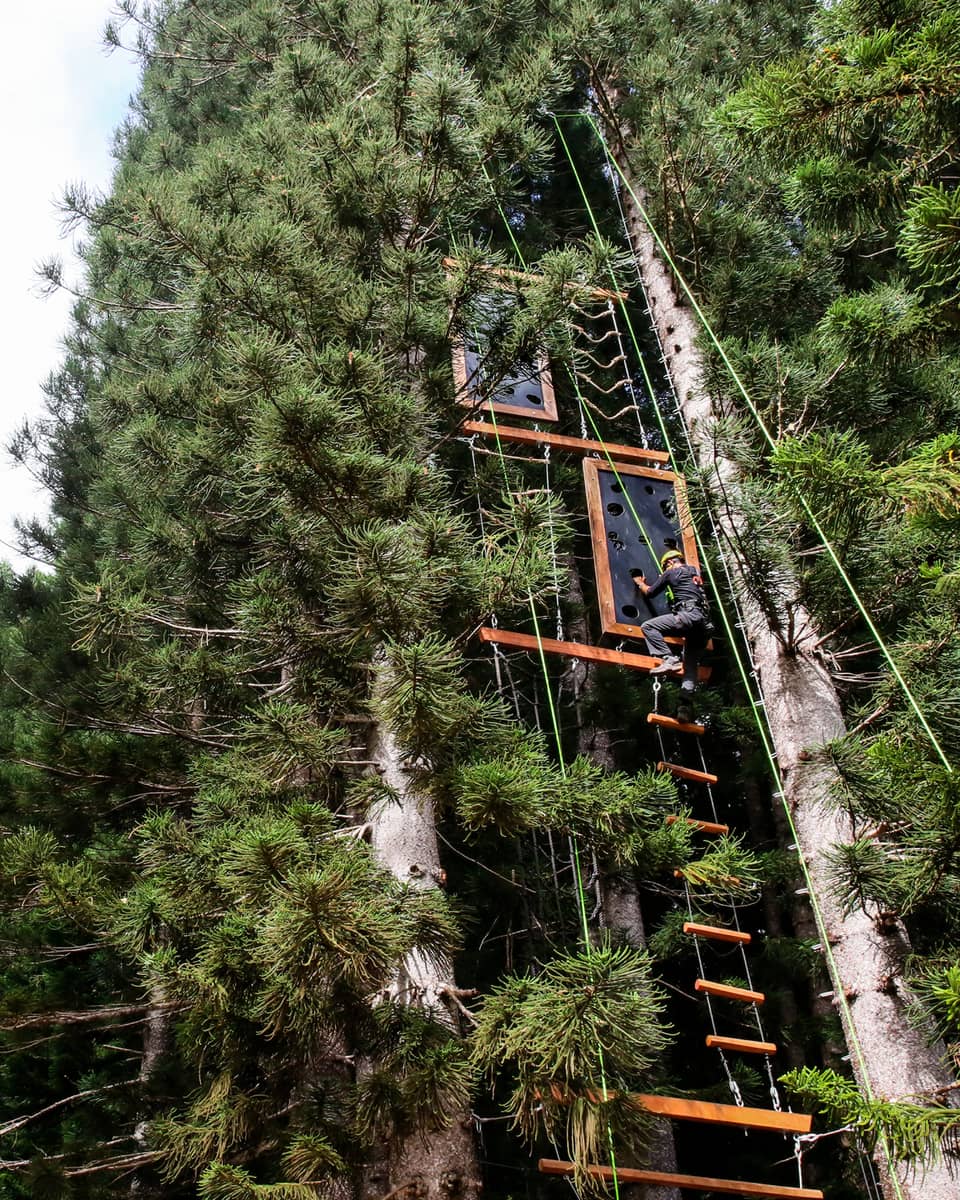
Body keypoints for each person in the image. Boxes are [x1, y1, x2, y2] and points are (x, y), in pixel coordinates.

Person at [631, 548, 710, 721]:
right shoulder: (694, 574)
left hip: (688, 616)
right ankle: (684, 708)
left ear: (669, 563)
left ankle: (668, 659)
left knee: (648, 627)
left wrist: (640, 582)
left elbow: (650, 592)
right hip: (703, 625)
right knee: (690, 668)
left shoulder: (672, 572)